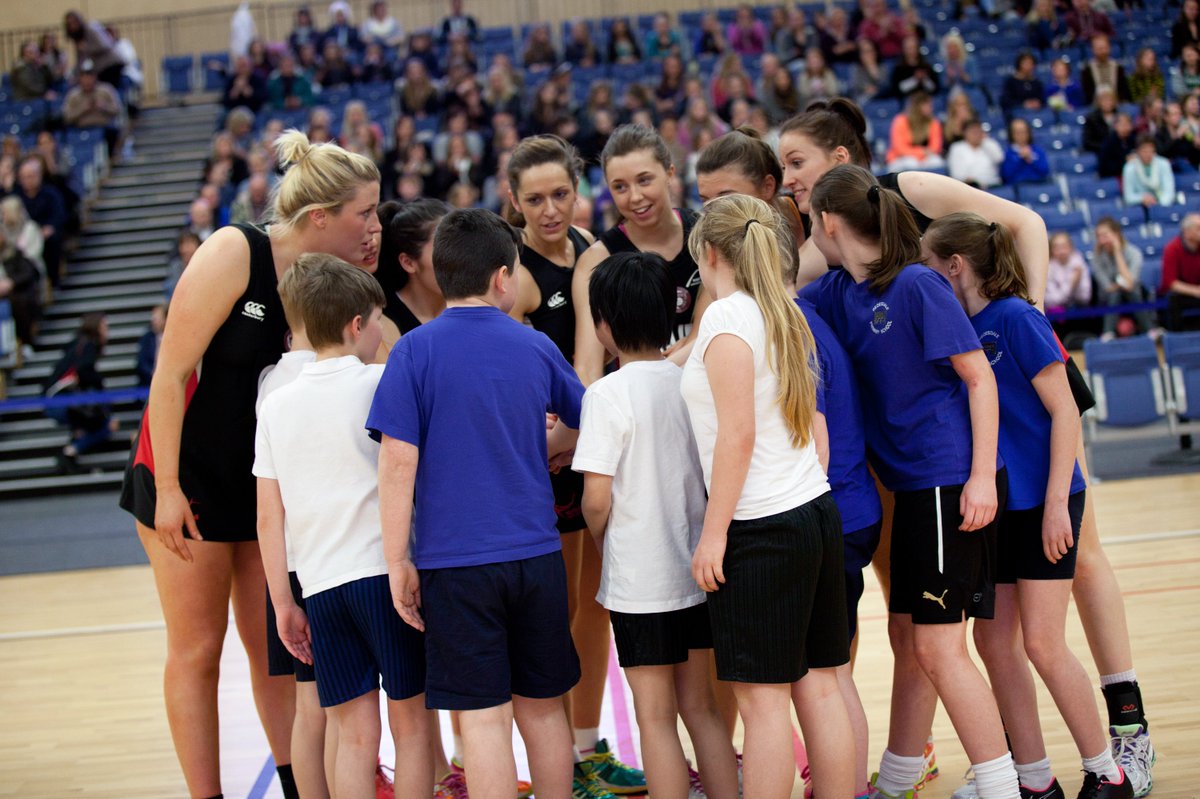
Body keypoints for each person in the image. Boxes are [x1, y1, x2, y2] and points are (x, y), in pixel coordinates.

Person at [781, 103, 1158, 795]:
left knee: (985, 641)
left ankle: (1096, 759)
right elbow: (781, 290)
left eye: (795, 166)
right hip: (952, 486)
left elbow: (998, 379)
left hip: (966, 481)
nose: (788, 182)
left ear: (833, 204)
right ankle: (1024, 775)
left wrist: (990, 479)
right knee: (983, 642)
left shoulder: (937, 284)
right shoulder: (840, 290)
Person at [117, 131, 382, 799]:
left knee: (276, 650)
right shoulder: (235, 251)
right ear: (320, 217)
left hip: (258, 489)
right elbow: (171, 373)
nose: (375, 227)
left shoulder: (332, 284)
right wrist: (169, 488)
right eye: (366, 213)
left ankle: (298, 783)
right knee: (199, 650)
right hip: (186, 480)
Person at [800, 165, 1017, 799]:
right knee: (918, 641)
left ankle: (1006, 786)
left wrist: (980, 478)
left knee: (942, 651)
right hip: (913, 492)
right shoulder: (839, 291)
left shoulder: (918, 284)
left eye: (812, 222)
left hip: (949, 483)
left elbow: (980, 379)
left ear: (830, 224)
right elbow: (772, 307)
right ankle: (896, 780)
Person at [368, 208, 583, 799]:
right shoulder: (535, 345)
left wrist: (396, 560)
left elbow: (396, 463)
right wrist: (551, 445)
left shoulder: (413, 351)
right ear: (502, 277)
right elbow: (589, 420)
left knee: (484, 718)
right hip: (535, 556)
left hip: (453, 565)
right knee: (542, 710)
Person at [922, 213, 1133, 799]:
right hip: (1001, 506)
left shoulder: (1016, 317)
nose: (924, 273)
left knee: (1041, 642)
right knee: (995, 643)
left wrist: (1055, 506)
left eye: (929, 261)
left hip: (1046, 501)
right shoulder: (960, 327)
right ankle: (1036, 781)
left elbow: (1066, 411)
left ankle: (1107, 771)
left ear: (955, 265)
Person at [682, 193, 853, 799]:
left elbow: (739, 433)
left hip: (761, 529)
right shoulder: (778, 310)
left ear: (708, 254)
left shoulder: (726, 320)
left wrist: (714, 533)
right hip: (813, 510)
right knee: (821, 687)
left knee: (763, 707)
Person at [254, 254, 429, 799]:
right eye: (378, 319)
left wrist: (284, 602)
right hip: (385, 575)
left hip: (320, 587)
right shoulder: (381, 381)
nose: (381, 329)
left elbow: (268, 515)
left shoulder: (276, 405)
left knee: (354, 735)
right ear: (358, 324)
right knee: (412, 726)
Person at [574, 251, 738, 799]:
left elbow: (595, 499)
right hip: (697, 570)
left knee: (655, 718)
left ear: (602, 325)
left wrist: (605, 540)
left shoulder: (604, 395)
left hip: (640, 585)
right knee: (702, 706)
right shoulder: (688, 381)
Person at [573, 124, 709, 386]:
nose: (635, 197)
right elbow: (587, 367)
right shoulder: (597, 260)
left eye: (644, 180)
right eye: (620, 187)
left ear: (669, 172)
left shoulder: (706, 235)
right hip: (638, 409)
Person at [43, 312, 120, 471]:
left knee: (92, 425)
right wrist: (102, 389)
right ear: (96, 328)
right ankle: (70, 452)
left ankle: (72, 450)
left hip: (55, 399)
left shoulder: (78, 344)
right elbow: (84, 372)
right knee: (107, 425)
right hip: (62, 400)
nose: (107, 332)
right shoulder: (88, 346)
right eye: (104, 327)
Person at [1092, 217, 1157, 340]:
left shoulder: (1134, 253)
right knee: (1115, 293)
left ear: (1116, 234)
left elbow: (1130, 284)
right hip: (1109, 299)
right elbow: (1107, 286)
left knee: (1132, 292)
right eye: (1099, 236)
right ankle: (1108, 333)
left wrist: (1117, 252)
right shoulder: (1097, 258)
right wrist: (1120, 285)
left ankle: (1149, 331)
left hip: (1133, 295)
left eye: (1105, 235)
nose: (1102, 240)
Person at [62, 10, 125, 88]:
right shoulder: (78, 38)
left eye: (74, 22)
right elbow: (80, 60)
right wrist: (75, 76)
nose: (73, 26)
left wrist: (86, 48)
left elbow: (105, 45)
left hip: (112, 64)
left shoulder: (91, 28)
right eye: (70, 24)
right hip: (101, 69)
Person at [886, 92, 945, 172]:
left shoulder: (934, 122)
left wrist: (922, 155)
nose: (930, 108)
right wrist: (921, 152)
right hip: (900, 158)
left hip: (924, 159)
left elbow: (935, 147)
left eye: (930, 105)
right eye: (927, 105)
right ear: (917, 106)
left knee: (937, 161)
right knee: (911, 162)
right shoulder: (900, 121)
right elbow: (899, 148)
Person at [1160, 213, 1200, 332]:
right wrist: (1195, 291)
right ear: (1186, 232)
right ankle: (1177, 338)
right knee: (1173, 299)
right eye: (1198, 228)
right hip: (1181, 294)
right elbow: (1170, 283)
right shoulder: (1172, 248)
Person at [948, 118, 1005, 189]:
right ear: (965, 133)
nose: (976, 134)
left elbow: (999, 159)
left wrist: (985, 141)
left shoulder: (989, 143)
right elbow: (957, 174)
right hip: (971, 188)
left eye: (978, 131)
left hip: (994, 185)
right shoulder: (957, 148)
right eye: (973, 132)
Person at [1121, 135, 1175, 209]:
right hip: (1139, 207)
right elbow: (1128, 196)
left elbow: (1169, 191)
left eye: (1150, 151)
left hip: (1162, 206)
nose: (1148, 154)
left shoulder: (1164, 164)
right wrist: (1142, 199)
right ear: (1137, 151)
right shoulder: (1129, 168)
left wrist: (1159, 204)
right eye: (1144, 151)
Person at [1045, 232, 1093, 311]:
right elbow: (1050, 301)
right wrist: (1072, 283)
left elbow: (1084, 297)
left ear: (1071, 247)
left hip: (1080, 310)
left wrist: (1064, 295)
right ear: (1051, 249)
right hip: (1056, 314)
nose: (1061, 251)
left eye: (1064, 246)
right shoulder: (1048, 267)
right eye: (1057, 247)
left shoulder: (1079, 263)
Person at [1081, 35, 1131, 106]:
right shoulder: (1086, 71)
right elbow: (1088, 95)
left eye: (1104, 48)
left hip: (1118, 105)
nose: (1102, 51)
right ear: (1093, 50)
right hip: (1096, 107)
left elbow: (1124, 92)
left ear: (1109, 48)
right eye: (1099, 48)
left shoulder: (1118, 68)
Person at [1000, 118, 1051, 186]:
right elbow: (1006, 175)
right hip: (1017, 187)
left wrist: (1031, 159)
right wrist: (1019, 159)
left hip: (1038, 185)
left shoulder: (1038, 150)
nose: (1021, 135)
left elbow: (1045, 171)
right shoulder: (1008, 153)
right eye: (1017, 132)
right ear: (1011, 134)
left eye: (1023, 132)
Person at [137, 304, 167, 388]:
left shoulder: (172, 338)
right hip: (148, 384)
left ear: (165, 319)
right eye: (152, 318)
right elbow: (141, 363)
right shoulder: (146, 338)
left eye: (156, 318)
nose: (153, 321)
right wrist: (153, 374)